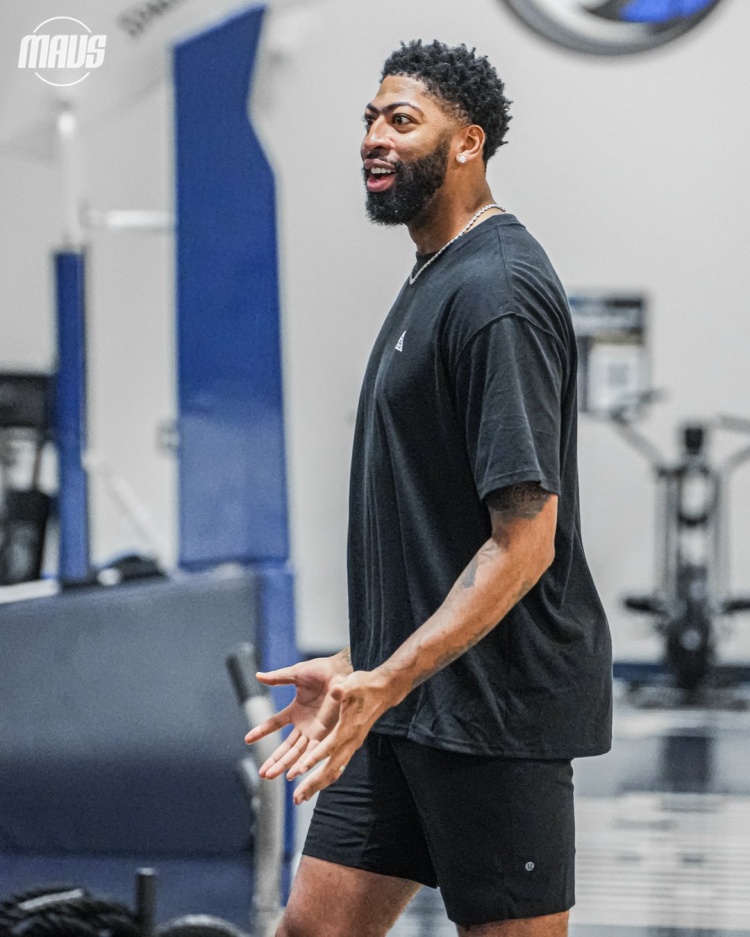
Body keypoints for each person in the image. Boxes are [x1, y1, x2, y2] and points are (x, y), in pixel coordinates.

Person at [245, 39, 612, 937]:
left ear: (467, 143)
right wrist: (360, 664)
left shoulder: (497, 291)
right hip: (402, 702)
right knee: (311, 930)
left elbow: (525, 541)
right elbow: (433, 529)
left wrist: (384, 676)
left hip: (493, 713)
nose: (375, 137)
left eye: (402, 121)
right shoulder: (435, 276)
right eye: (370, 119)